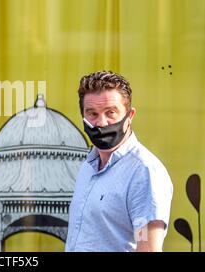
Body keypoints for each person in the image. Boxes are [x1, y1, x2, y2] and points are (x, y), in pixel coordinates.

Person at [65, 71, 173, 252]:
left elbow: (147, 249)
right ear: (82, 115)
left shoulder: (144, 172)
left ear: (130, 116)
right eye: (92, 114)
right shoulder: (88, 166)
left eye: (111, 112)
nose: (101, 122)